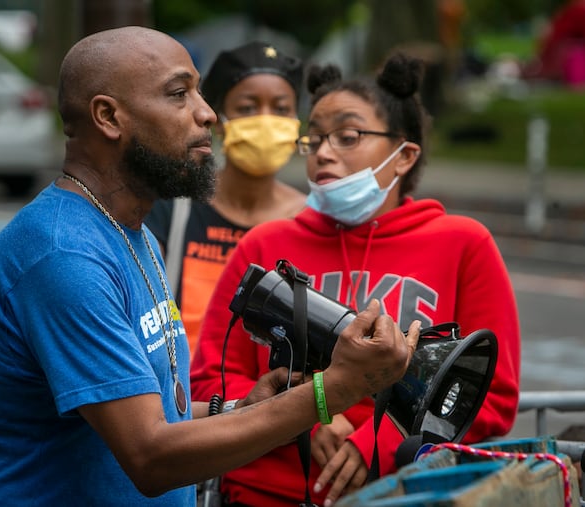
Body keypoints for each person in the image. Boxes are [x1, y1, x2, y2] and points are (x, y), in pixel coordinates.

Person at [0, 26, 422, 506]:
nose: (207, 113)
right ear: (108, 117)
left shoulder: (129, 232)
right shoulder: (64, 256)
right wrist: (335, 391)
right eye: (179, 94)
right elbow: (150, 455)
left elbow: (152, 408)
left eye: (199, 92)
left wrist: (241, 410)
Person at [190, 52, 521, 506]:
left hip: (401, 494)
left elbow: (491, 394)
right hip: (262, 493)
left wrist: (379, 443)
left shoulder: (465, 244)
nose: (324, 152)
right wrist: (305, 414)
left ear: (404, 155)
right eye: (315, 139)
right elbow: (212, 378)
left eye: (348, 136)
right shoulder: (264, 245)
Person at [145, 41, 307, 354]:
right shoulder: (174, 206)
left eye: (281, 108)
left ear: (295, 123)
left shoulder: (311, 220)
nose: (265, 120)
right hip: (185, 391)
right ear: (217, 120)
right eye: (247, 108)